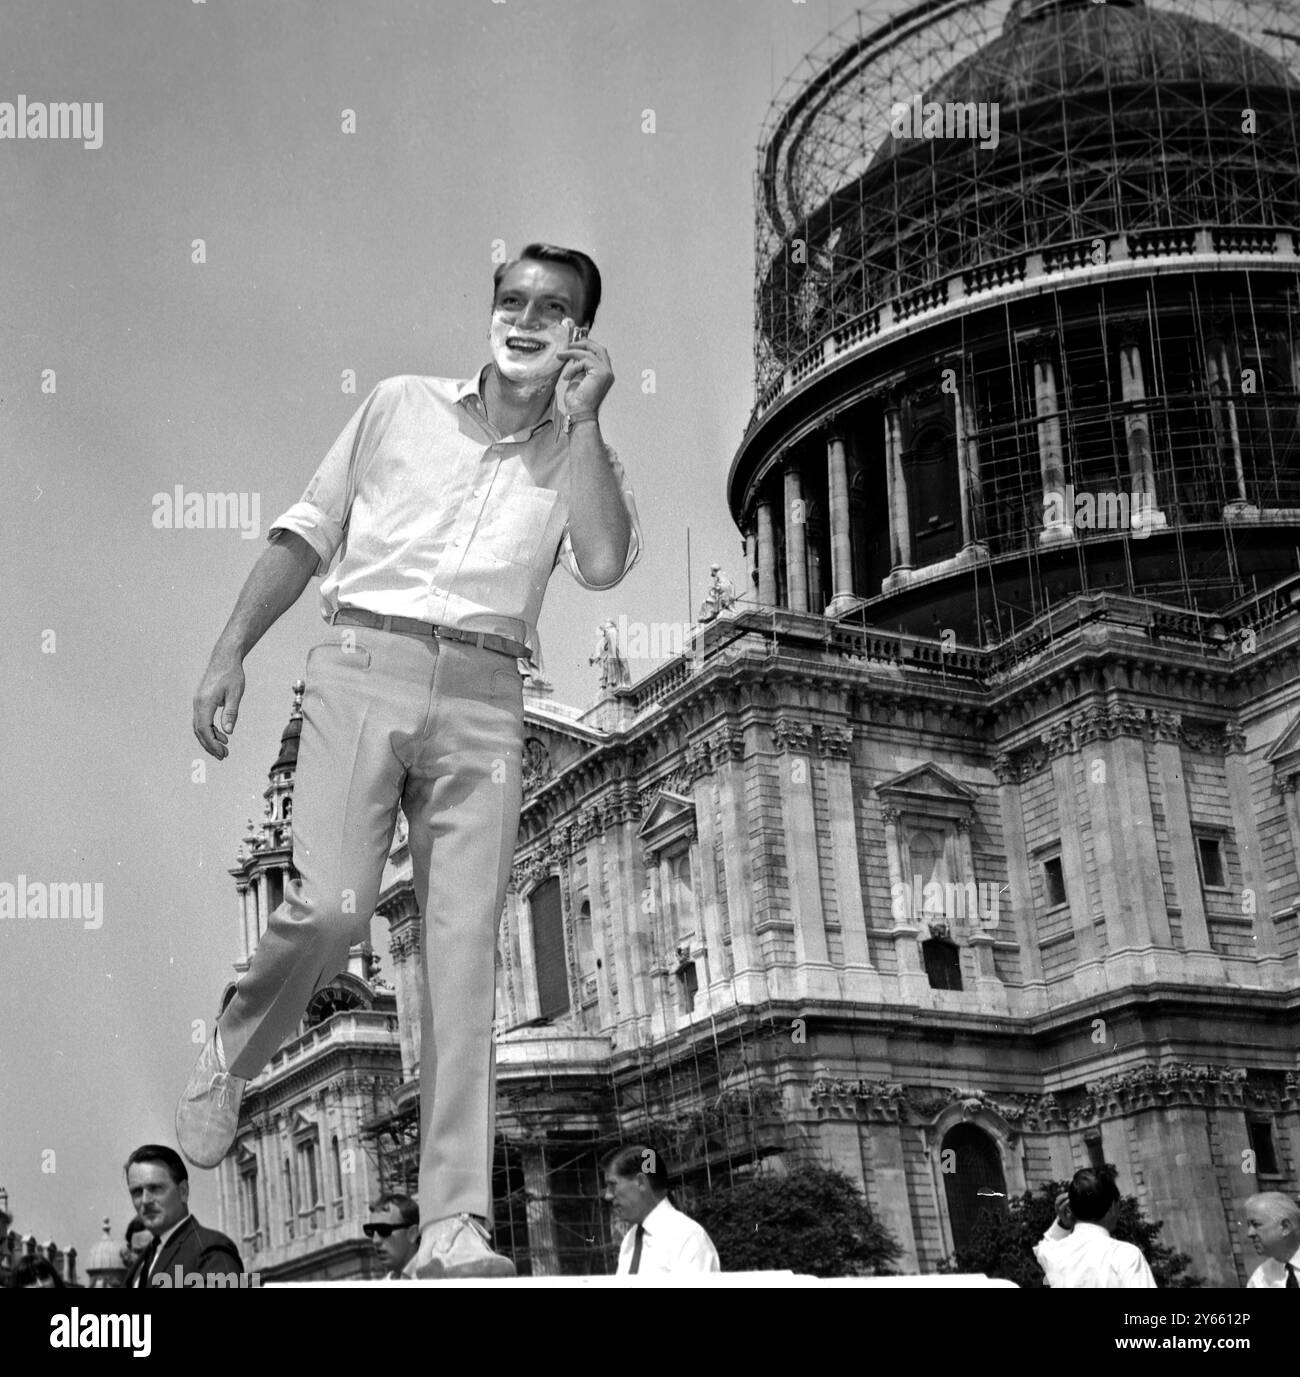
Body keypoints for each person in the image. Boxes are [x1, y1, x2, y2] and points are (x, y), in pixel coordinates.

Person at [178, 242, 641, 1280]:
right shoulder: (397, 405)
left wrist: (590, 422)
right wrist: (228, 653)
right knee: (340, 906)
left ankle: (453, 1225)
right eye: (511, 298)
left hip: (488, 691)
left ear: (580, 333)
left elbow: (606, 563)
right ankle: (229, 1054)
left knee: (463, 955)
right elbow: (304, 534)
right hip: (363, 660)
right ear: (491, 310)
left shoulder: (575, 451)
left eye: (553, 308)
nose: (525, 318)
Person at [123, 1144, 243, 1288]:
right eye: (137, 1192)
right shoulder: (141, 1264)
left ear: (183, 1191)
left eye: (155, 1188)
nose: (145, 1200)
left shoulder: (210, 1249)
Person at [603, 1144, 720, 1275]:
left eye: (612, 1185)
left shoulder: (687, 1237)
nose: (608, 1195)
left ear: (641, 1182)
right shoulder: (629, 1241)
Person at [1033, 1168, 1156, 1288]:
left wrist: (1063, 1222)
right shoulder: (1125, 1255)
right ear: (1113, 1206)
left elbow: (1044, 1247)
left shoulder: (1055, 1254)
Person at [1243, 1191, 1300, 1288]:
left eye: (1256, 1224)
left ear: (1285, 1227)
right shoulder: (1259, 1279)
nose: (1250, 1233)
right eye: (1248, 1226)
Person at [365, 1194, 420, 1280]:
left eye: (384, 1230)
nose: (375, 1241)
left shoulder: (440, 1276)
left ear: (412, 1234)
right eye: (370, 1231)